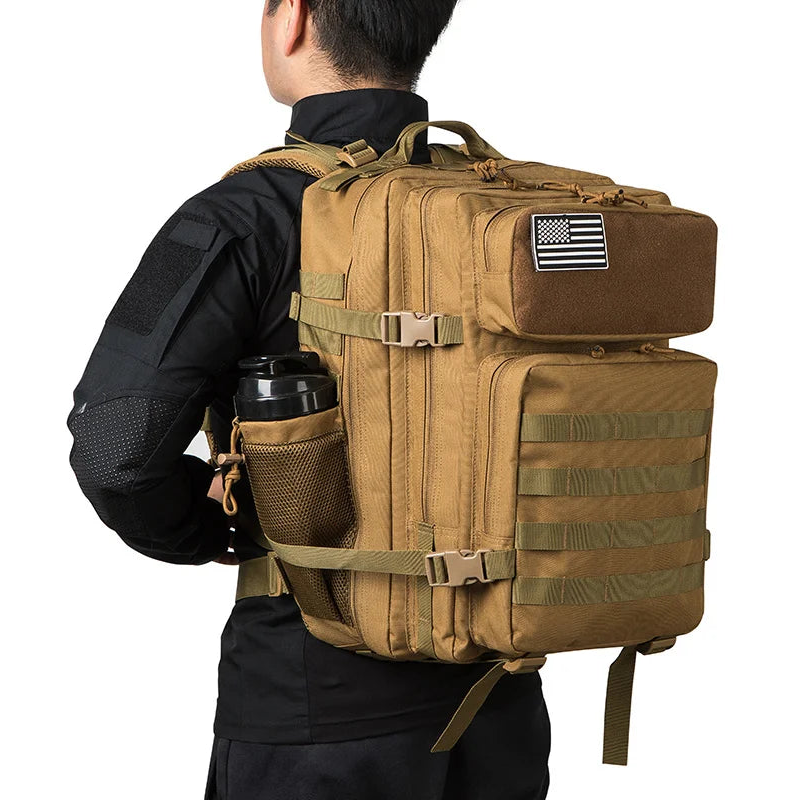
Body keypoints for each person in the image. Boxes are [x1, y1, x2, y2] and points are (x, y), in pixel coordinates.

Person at [67, 1, 551, 797]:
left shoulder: (239, 215)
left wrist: (223, 526)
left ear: (292, 17)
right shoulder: (500, 207)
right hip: (499, 700)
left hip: (314, 708)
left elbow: (113, 447)